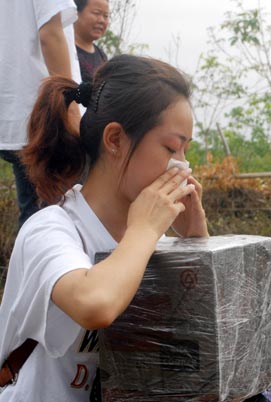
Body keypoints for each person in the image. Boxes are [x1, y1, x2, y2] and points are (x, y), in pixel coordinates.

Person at [0, 55, 209, 401]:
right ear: (115, 139)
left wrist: (194, 243)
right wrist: (144, 230)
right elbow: (95, 304)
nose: (182, 166)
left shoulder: (146, 239)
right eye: (172, 147)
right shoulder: (51, 231)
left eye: (186, 150)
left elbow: (198, 335)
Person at [0, 0, 82, 228]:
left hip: (17, 114)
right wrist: (71, 102)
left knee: (35, 214)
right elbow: (50, 34)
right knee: (62, 217)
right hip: (48, 113)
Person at [74, 0, 109, 83]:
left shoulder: (102, 56)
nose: (102, 20)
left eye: (106, 16)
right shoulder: (65, 49)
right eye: (96, 13)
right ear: (76, 13)